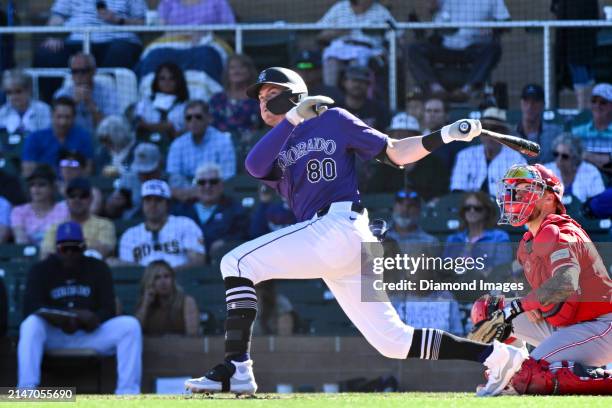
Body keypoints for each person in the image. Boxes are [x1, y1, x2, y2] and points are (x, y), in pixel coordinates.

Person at [184, 66, 527, 396]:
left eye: (271, 93)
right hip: (331, 239)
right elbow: (253, 165)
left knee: (236, 263)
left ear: (294, 96)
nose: (262, 101)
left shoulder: (333, 119)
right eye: (259, 96)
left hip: (341, 227)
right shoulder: (275, 143)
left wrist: (446, 134)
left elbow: (395, 153)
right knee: (392, 341)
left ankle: (237, 367)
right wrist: (293, 118)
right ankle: (498, 357)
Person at [468, 164, 612, 395]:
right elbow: (546, 293)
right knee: (489, 310)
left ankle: (601, 379)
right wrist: (532, 304)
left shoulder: (562, 231)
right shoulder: (528, 242)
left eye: (525, 189)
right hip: (566, 323)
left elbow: (565, 282)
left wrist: (520, 305)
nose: (515, 196)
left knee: (529, 375)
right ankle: (506, 371)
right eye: (513, 190)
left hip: (600, 326)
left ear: (548, 199)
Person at [17, 221, 142, 394]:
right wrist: (63, 317)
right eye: (64, 249)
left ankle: (127, 394)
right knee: (30, 324)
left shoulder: (98, 267)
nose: (69, 253)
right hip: (55, 335)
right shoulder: (40, 270)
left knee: (130, 325)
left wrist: (95, 318)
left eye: (75, 248)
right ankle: (27, 391)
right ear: (56, 248)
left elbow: (108, 308)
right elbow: (31, 307)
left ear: (83, 247)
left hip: (89, 334)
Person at [33, 0, 145, 100]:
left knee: (121, 52)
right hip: (77, 39)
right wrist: (54, 35)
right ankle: (59, 107)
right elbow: (57, 17)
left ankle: (111, 104)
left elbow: (142, 23)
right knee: (47, 54)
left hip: (119, 39)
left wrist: (119, 20)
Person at [405, 0, 510, 101]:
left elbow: (507, 23)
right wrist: (430, 5)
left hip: (473, 49)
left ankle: (467, 90)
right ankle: (436, 89)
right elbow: (426, 12)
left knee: (493, 48)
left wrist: (492, 28)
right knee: (414, 49)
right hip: (444, 47)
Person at [116, 179, 205, 269]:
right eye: (148, 200)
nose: (153, 204)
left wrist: (166, 275)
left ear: (167, 204)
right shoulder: (130, 235)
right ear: (142, 204)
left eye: (158, 200)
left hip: (181, 280)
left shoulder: (186, 225)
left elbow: (198, 261)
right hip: (143, 281)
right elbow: (127, 269)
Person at [360, 113, 448, 199]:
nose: (402, 139)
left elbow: (442, 195)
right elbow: (373, 197)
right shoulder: (383, 165)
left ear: (417, 137)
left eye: (407, 135)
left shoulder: (434, 164)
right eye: (398, 135)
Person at [166, 100, 236, 202]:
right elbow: (174, 180)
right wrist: (194, 192)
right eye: (189, 118)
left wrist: (199, 191)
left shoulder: (223, 141)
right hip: (185, 200)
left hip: (216, 199)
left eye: (198, 117)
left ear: (208, 118)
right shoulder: (177, 144)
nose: (193, 121)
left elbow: (228, 178)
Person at [317, 0, 397, 88]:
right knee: (331, 60)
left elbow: (397, 34)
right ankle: (330, 95)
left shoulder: (381, 11)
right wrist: (339, 31)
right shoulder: (340, 7)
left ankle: (354, 93)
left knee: (355, 63)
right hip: (342, 46)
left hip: (368, 50)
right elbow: (319, 32)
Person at [177, 162, 249, 256]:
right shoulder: (183, 209)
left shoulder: (235, 209)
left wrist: (226, 242)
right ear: (196, 186)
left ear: (221, 185)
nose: (207, 186)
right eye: (202, 182)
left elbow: (243, 235)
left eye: (213, 182)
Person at [451, 108, 527, 194]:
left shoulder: (516, 159)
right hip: (472, 206)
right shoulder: (465, 156)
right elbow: (457, 190)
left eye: (494, 129)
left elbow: (521, 194)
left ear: (504, 133)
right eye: (485, 128)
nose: (489, 134)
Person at [40, 178, 116, 260]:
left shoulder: (105, 225)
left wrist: (65, 250)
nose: (77, 200)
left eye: (83, 196)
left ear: (91, 199)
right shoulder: (56, 227)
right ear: (66, 200)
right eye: (72, 196)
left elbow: (103, 251)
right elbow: (46, 255)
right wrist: (86, 247)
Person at [443, 192, 512, 280]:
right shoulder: (453, 239)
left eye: (477, 208)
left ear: (487, 212)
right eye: (467, 208)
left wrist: (474, 269)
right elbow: (444, 271)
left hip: (486, 289)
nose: (471, 211)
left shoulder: (499, 238)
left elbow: (502, 271)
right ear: (463, 212)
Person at [21, 96, 93, 177]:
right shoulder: (35, 138)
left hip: (73, 186)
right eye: (59, 117)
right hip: (45, 185)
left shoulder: (83, 138)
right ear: (51, 116)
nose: (63, 122)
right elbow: (28, 170)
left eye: (67, 117)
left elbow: (87, 170)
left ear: (74, 118)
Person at [54, 53, 120, 134]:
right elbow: (57, 128)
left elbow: (112, 128)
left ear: (94, 71)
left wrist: (91, 104)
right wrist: (73, 104)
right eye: (75, 71)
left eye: (83, 71)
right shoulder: (62, 94)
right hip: (72, 139)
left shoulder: (108, 92)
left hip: (101, 138)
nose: (79, 75)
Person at [551, 0, 599, 110]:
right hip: (579, 46)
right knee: (584, 78)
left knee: (585, 79)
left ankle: (585, 112)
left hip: (579, 47)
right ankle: (586, 111)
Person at [134, 260, 200, 336]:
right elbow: (135, 332)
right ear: (150, 281)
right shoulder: (144, 303)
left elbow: (193, 335)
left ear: (173, 279)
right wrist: (145, 305)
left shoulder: (186, 302)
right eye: (157, 278)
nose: (163, 282)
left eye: (166, 276)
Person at [10, 165, 69, 245]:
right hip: (28, 256)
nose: (35, 189)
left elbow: (89, 206)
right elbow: (20, 240)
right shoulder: (19, 211)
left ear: (53, 187)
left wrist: (64, 191)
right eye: (32, 185)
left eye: (42, 184)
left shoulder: (64, 208)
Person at [104, 143, 165, 220]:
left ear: (159, 165)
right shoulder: (128, 178)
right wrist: (113, 204)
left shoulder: (169, 180)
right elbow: (111, 211)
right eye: (141, 171)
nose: (143, 174)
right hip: (131, 222)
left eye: (148, 172)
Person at [135, 62, 189, 141]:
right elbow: (138, 124)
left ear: (178, 81)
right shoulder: (145, 102)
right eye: (162, 78)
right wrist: (167, 127)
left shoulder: (185, 106)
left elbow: (186, 133)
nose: (167, 82)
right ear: (156, 81)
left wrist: (149, 126)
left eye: (172, 78)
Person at [544, 133, 605, 203]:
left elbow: (599, 203)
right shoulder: (546, 171)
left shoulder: (591, 172)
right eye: (556, 154)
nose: (559, 159)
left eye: (565, 156)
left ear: (575, 158)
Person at [209, 54, 261, 134]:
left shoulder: (259, 99)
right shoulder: (216, 99)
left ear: (249, 72)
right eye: (232, 68)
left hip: (252, 144)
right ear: (227, 73)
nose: (237, 71)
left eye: (241, 67)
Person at [513, 84, 562, 164]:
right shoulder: (511, 134)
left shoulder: (555, 133)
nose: (530, 106)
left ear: (543, 104)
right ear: (521, 103)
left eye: (535, 101)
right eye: (526, 101)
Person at [571, 83, 612, 173]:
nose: (597, 105)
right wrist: (606, 159)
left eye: (603, 102)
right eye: (594, 101)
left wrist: (586, 156)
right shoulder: (577, 133)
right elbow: (571, 162)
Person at [0, 69, 51, 136]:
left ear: (29, 90)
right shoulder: (2, 113)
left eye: (18, 91)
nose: (13, 97)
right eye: (9, 93)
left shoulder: (44, 110)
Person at [340, 65, 390, 130]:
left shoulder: (379, 109)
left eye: (362, 81)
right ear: (344, 82)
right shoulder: (335, 109)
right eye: (354, 80)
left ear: (368, 85)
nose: (357, 84)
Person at [58, 150, 103, 214]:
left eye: (73, 164)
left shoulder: (93, 192)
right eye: (64, 163)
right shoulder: (51, 189)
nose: (68, 167)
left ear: (83, 169)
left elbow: (92, 213)